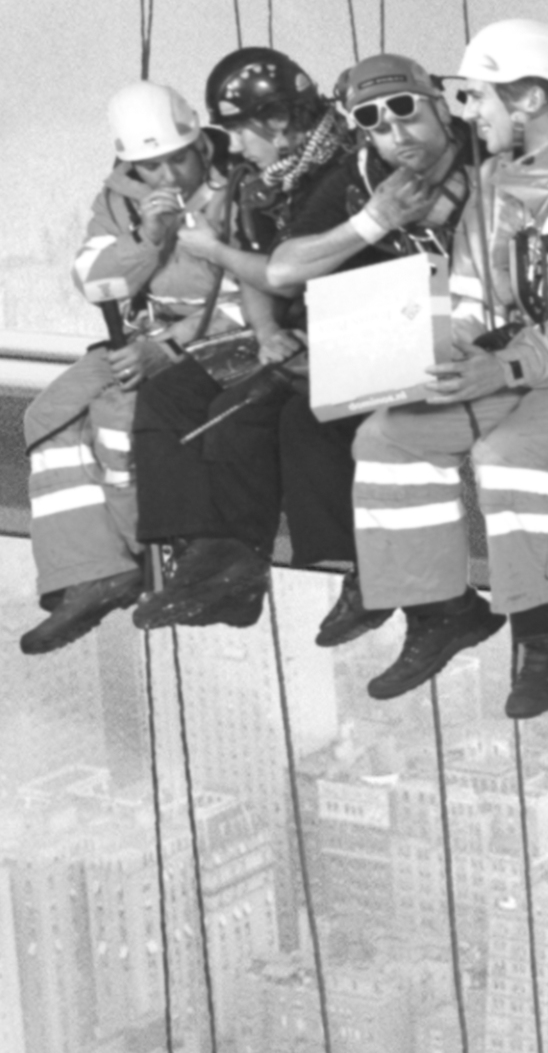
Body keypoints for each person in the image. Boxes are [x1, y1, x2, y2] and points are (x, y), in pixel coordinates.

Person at [347, 19, 548, 714]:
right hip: (508, 366)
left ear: (527, 98)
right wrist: (447, 351)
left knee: (507, 455)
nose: (469, 114)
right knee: (386, 436)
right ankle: (439, 611)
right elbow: (469, 292)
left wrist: (501, 371)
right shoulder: (495, 179)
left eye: (479, 98)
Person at [131, 47, 375, 641]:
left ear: (277, 121)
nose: (234, 147)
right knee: (168, 397)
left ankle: (263, 563)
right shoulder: (266, 178)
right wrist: (265, 333)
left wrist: (212, 252)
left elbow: (280, 270)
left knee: (241, 417)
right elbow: (257, 270)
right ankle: (208, 558)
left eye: (241, 132)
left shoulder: (343, 172)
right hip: (291, 327)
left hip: (354, 329)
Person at [20, 82, 242, 654]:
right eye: (151, 165)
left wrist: (171, 347)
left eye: (178, 158)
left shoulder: (241, 190)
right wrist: (147, 238)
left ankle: (140, 556)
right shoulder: (121, 200)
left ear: (202, 146)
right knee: (49, 412)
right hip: (147, 338)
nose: (168, 176)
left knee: (119, 419)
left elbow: (265, 296)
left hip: (222, 339)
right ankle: (90, 567)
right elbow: (94, 281)